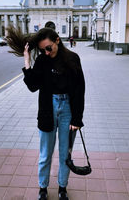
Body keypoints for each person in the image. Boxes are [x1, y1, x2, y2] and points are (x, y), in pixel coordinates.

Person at [6, 26, 85, 200]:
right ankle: (43, 187)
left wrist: (77, 119)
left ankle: (62, 187)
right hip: (47, 109)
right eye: (43, 50)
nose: (46, 52)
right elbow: (33, 86)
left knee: (65, 154)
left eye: (48, 48)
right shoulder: (42, 60)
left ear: (57, 40)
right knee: (45, 154)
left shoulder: (72, 59)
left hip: (67, 110)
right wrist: (27, 61)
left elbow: (80, 90)